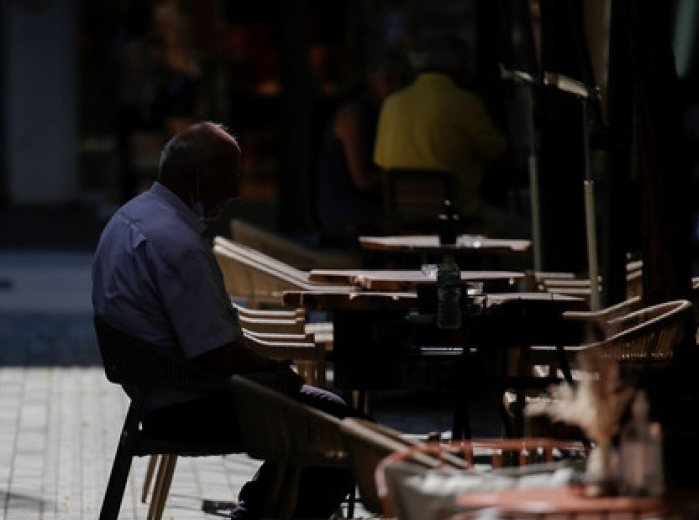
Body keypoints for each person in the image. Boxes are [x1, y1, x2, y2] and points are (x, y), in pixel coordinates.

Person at [92, 122, 364, 518]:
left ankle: (255, 510)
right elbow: (215, 354)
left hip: (159, 392)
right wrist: (274, 372)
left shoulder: (132, 216)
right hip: (190, 402)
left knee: (326, 415)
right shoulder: (177, 243)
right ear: (195, 180)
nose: (236, 192)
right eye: (229, 178)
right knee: (344, 428)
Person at [372, 35, 507, 231]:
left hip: (404, 218)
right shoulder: (465, 102)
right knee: (526, 232)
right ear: (458, 68)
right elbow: (497, 150)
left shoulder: (392, 104)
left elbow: (382, 163)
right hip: (460, 217)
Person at [316, 48, 412, 247]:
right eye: (389, 80)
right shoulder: (354, 116)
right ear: (372, 80)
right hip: (348, 213)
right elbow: (363, 180)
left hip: (368, 207)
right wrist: (403, 173)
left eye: (402, 81)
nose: (397, 88)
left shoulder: (386, 113)